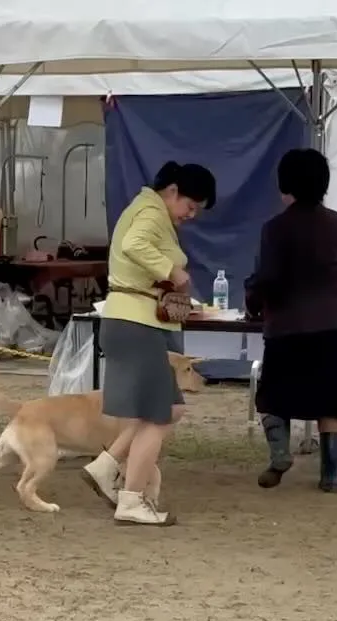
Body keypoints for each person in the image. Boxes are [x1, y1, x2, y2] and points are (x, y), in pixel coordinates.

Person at [80, 161, 216, 527]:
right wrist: (170, 270)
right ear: (172, 192)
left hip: (131, 319)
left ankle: (106, 466)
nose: (190, 215)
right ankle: (132, 497)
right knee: (157, 415)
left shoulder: (146, 210)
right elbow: (133, 244)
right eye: (190, 206)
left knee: (169, 409)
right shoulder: (151, 214)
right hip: (135, 321)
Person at [247, 148, 337, 493]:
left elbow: (265, 276)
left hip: (287, 324)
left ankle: (280, 455)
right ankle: (331, 474)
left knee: (273, 397)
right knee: (333, 400)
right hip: (334, 322)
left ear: (286, 184)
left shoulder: (275, 228)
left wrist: (253, 303)